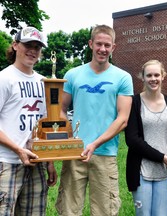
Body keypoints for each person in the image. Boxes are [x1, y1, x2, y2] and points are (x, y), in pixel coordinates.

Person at [55, 24, 134, 216]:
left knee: (104, 211)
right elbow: (60, 110)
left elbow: (123, 119)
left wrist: (95, 143)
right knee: (68, 210)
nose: (103, 49)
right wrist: (69, 137)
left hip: (105, 154)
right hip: (74, 153)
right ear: (91, 44)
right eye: (99, 44)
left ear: (114, 47)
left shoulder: (123, 77)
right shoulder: (72, 75)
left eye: (107, 45)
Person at [0, 26, 57, 215]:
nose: (33, 50)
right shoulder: (4, 78)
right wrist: (18, 150)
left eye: (37, 47)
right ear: (15, 45)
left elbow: (46, 124)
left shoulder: (44, 82)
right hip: (7, 161)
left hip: (37, 162)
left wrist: (50, 161)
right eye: (28, 45)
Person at [125, 60, 167, 216]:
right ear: (142, 77)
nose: (153, 78)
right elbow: (132, 140)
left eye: (157, 75)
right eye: (149, 75)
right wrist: (161, 157)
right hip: (142, 171)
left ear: (163, 76)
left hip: (166, 171)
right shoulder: (135, 103)